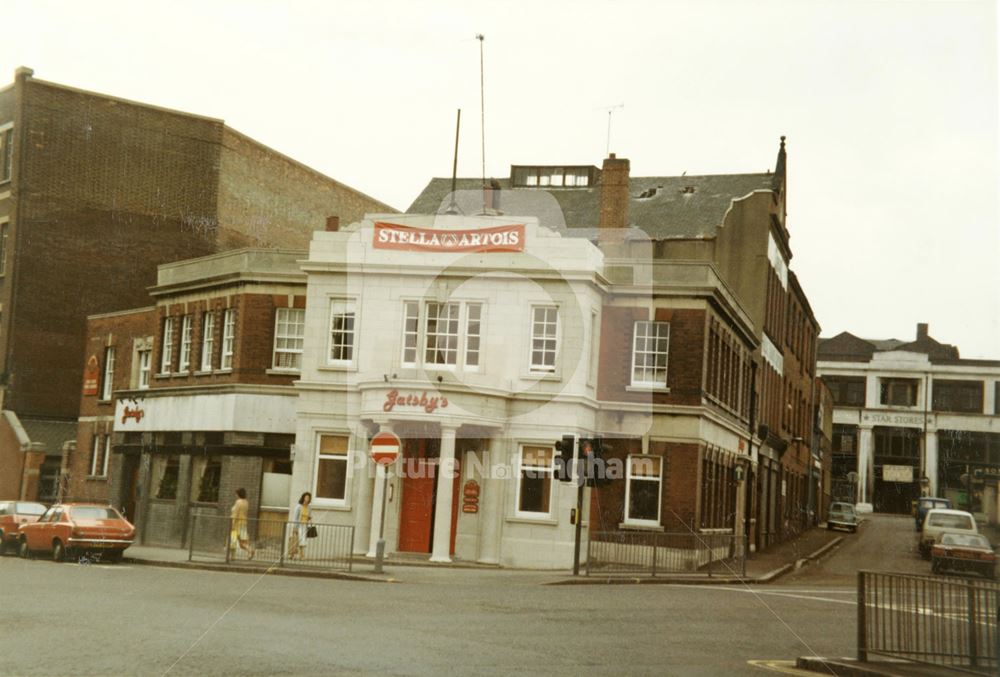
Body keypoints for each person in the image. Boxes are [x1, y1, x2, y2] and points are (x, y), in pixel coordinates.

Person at [230, 488, 254, 560]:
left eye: (236, 494)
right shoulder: (246, 502)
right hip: (243, 523)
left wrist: (232, 524)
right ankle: (250, 550)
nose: (235, 495)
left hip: (236, 524)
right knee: (242, 542)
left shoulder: (238, 502)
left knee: (233, 541)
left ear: (238, 494)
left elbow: (235, 513)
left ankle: (232, 556)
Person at [288, 492, 312, 560]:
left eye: (309, 498)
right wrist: (295, 527)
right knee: (295, 541)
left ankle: (301, 556)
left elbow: (309, 515)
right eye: (306, 497)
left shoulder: (309, 507)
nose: (307, 499)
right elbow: (295, 517)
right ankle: (292, 555)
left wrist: (309, 518)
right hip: (299, 525)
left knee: (302, 541)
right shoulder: (298, 506)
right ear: (303, 498)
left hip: (305, 525)